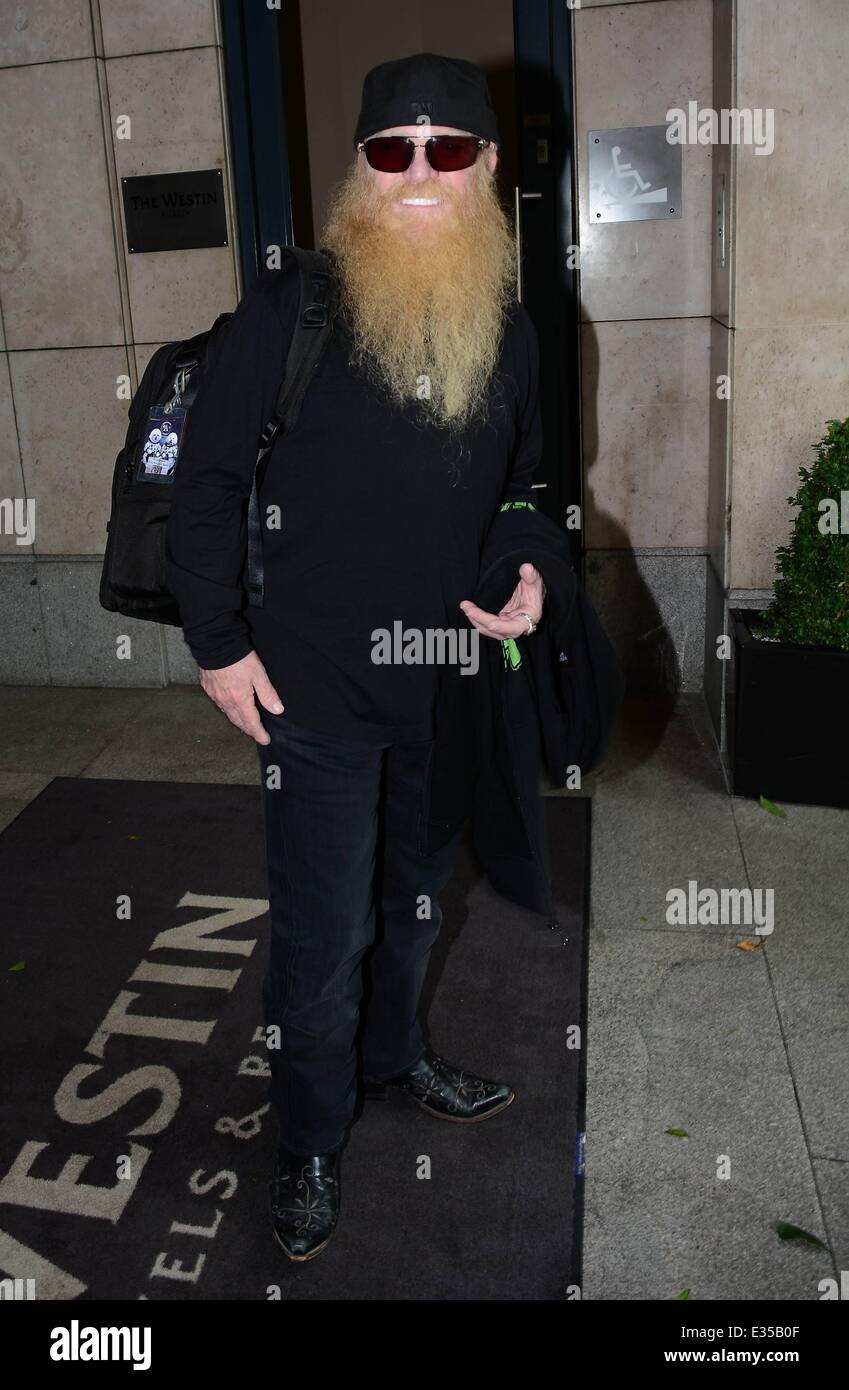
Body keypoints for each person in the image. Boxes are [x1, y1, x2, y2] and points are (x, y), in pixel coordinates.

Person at [165, 52, 547, 1263]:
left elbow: (527, 490)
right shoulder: (293, 308)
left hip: (445, 685)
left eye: (447, 148)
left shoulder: (515, 328)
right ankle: (311, 1141)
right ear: (361, 172)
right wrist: (219, 647)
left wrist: (529, 567)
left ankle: (399, 1058)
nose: (420, 171)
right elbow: (208, 482)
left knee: (415, 908)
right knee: (323, 939)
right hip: (311, 690)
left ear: (487, 166)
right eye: (394, 149)